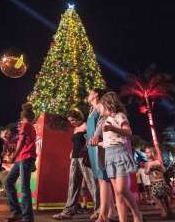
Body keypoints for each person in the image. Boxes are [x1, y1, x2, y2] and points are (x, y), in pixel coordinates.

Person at [97, 91, 143, 222]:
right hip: (109, 156)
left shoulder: (120, 116)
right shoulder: (105, 121)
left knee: (122, 189)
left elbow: (128, 132)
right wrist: (99, 143)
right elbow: (110, 140)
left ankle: (137, 214)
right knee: (117, 193)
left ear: (108, 105)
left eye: (101, 107)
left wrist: (112, 128)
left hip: (120, 154)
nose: (99, 110)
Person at [53, 109, 98, 220]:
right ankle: (68, 212)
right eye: (70, 121)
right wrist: (72, 152)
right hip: (74, 159)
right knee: (73, 184)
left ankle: (100, 211)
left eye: (73, 120)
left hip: (84, 158)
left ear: (78, 117)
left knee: (92, 184)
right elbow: (76, 143)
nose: (71, 122)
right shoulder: (75, 128)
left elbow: (92, 140)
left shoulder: (86, 125)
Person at [86, 88, 118, 222]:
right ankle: (111, 212)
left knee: (103, 179)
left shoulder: (100, 106)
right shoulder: (91, 110)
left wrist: (96, 135)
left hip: (99, 145)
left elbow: (104, 121)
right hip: (92, 147)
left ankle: (103, 215)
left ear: (96, 94)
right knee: (101, 180)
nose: (88, 95)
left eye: (90, 92)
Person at [5, 103, 37, 222]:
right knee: (8, 182)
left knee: (24, 188)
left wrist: (14, 155)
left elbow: (23, 141)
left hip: (24, 158)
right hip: (23, 159)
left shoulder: (26, 124)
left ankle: (27, 218)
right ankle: (17, 212)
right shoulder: (29, 126)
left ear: (23, 116)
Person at [145, 146, 172, 219]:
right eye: (146, 152)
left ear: (153, 152)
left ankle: (168, 209)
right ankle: (163, 210)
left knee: (165, 197)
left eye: (148, 152)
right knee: (156, 198)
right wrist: (149, 168)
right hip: (154, 183)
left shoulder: (158, 161)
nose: (147, 154)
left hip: (161, 181)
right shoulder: (147, 163)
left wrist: (159, 167)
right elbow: (146, 172)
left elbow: (164, 170)